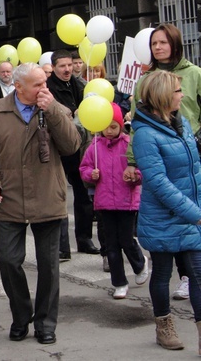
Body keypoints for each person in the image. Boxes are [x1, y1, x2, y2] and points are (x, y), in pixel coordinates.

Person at [0, 63, 81, 345]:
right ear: (18, 87)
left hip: (47, 195)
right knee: (8, 260)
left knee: (49, 264)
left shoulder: (54, 108)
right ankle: (22, 315)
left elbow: (72, 146)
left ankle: (46, 322)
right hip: (9, 196)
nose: (43, 88)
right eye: (37, 85)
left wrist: (54, 109)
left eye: (45, 83)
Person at [125, 23, 201, 301]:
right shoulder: (146, 80)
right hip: (161, 154)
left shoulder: (194, 74)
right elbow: (136, 123)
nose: (157, 47)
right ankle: (164, 317)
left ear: (175, 44)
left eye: (163, 42)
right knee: (171, 222)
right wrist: (132, 161)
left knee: (191, 233)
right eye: (154, 43)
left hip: (191, 148)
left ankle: (186, 279)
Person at [131, 70, 201, 351]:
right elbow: (158, 182)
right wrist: (193, 212)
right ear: (162, 96)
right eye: (177, 91)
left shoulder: (180, 122)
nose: (182, 95)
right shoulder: (145, 135)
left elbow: (193, 168)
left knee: (197, 273)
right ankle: (164, 326)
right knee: (161, 273)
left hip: (189, 213)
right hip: (163, 216)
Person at [79, 103, 148, 299]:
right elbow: (84, 168)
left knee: (126, 239)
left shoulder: (129, 145)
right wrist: (91, 175)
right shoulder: (94, 146)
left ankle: (139, 263)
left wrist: (135, 175)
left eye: (113, 126)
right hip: (104, 202)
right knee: (111, 244)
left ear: (120, 126)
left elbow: (142, 168)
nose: (109, 131)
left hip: (126, 201)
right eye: (105, 126)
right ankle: (119, 282)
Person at [47, 49, 97, 259]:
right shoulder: (48, 88)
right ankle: (62, 247)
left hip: (81, 145)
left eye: (70, 65)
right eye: (62, 66)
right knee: (58, 195)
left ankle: (84, 239)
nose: (67, 69)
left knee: (83, 193)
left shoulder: (81, 85)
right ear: (54, 68)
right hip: (57, 146)